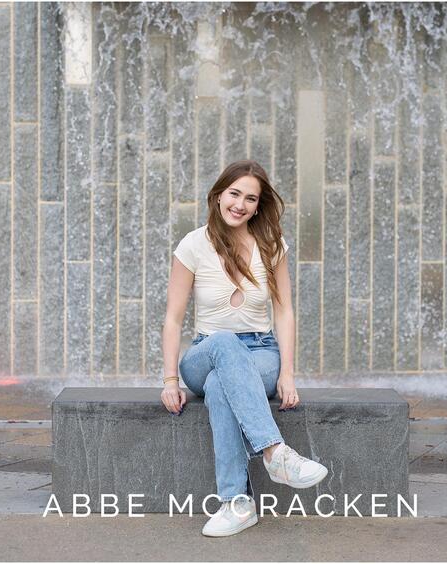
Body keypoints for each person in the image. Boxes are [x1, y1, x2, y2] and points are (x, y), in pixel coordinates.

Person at [160, 159, 328, 537]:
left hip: (261, 353)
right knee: (223, 344)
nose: (241, 204)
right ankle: (275, 453)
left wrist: (287, 373)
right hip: (205, 352)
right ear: (219, 195)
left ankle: (236, 504)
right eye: (235, 194)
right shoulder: (193, 244)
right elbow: (173, 318)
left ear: (258, 205)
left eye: (251, 198)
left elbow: (284, 312)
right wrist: (171, 380)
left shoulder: (271, 246)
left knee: (223, 386)